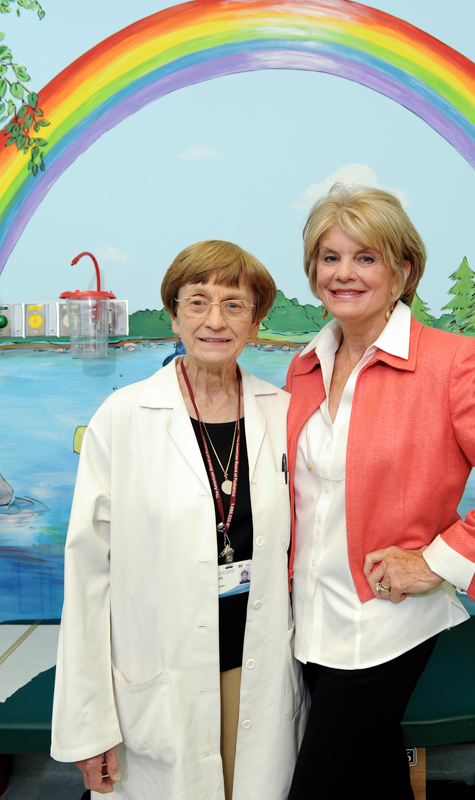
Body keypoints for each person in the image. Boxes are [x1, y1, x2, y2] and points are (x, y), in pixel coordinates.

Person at [284, 184, 475, 800]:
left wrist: (437, 562)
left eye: (366, 257)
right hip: (307, 620)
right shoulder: (304, 364)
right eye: (329, 257)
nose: (344, 274)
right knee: (372, 777)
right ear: (312, 270)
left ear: (403, 270)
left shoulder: (448, 363)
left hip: (381, 622)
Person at [51, 240, 306, 799]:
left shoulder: (284, 413)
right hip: (158, 672)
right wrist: (88, 724)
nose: (215, 320)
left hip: (254, 666)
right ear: (174, 314)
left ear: (257, 322)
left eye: (235, 305)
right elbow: (88, 578)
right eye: (198, 302)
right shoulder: (123, 418)